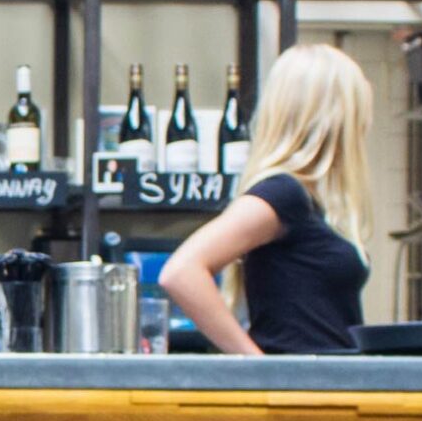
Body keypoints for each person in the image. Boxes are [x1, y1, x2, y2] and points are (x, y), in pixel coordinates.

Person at [158, 44, 373, 356]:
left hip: (323, 386)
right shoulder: (285, 194)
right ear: (335, 117)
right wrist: (258, 365)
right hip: (301, 392)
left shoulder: (306, 201)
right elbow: (181, 272)